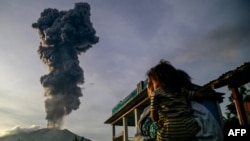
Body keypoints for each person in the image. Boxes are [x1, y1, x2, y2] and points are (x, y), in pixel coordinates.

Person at [134, 59, 224, 141]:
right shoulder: (146, 112)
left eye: (151, 82)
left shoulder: (194, 109)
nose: (148, 87)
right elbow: (137, 136)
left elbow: (213, 136)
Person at [147, 59, 200, 141]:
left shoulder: (156, 94)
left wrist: (157, 118)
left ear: (158, 81)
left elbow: (154, 117)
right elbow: (196, 95)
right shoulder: (180, 90)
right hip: (189, 128)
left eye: (153, 83)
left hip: (169, 132)